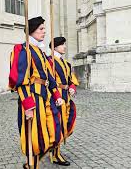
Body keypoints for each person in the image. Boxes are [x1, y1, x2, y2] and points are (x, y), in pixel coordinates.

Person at [9, 16, 64, 169]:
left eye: (44, 28)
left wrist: (57, 95)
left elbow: (49, 77)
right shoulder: (22, 50)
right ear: (32, 30)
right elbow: (21, 79)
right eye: (41, 29)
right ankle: (32, 165)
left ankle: (34, 162)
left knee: (53, 129)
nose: (44, 31)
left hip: (45, 96)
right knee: (33, 134)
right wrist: (27, 105)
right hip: (32, 98)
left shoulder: (40, 52)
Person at [47, 37, 79, 166]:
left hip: (66, 97)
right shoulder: (49, 62)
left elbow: (72, 80)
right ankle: (55, 155)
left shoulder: (66, 64)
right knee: (57, 125)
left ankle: (55, 150)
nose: (64, 47)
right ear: (55, 47)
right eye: (62, 45)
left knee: (65, 123)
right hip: (56, 98)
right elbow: (48, 80)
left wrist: (72, 87)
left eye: (64, 44)